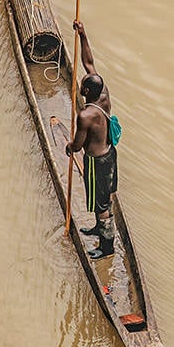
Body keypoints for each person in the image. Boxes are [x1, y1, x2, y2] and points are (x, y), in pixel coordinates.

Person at [65, 20, 118, 259]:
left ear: (86, 92)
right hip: (110, 155)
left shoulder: (86, 115)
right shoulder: (103, 94)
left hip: (97, 163)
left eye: (82, 87)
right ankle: (99, 228)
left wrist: (69, 146)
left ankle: (106, 248)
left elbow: (77, 146)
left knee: (102, 205)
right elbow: (89, 62)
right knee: (102, 201)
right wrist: (82, 34)